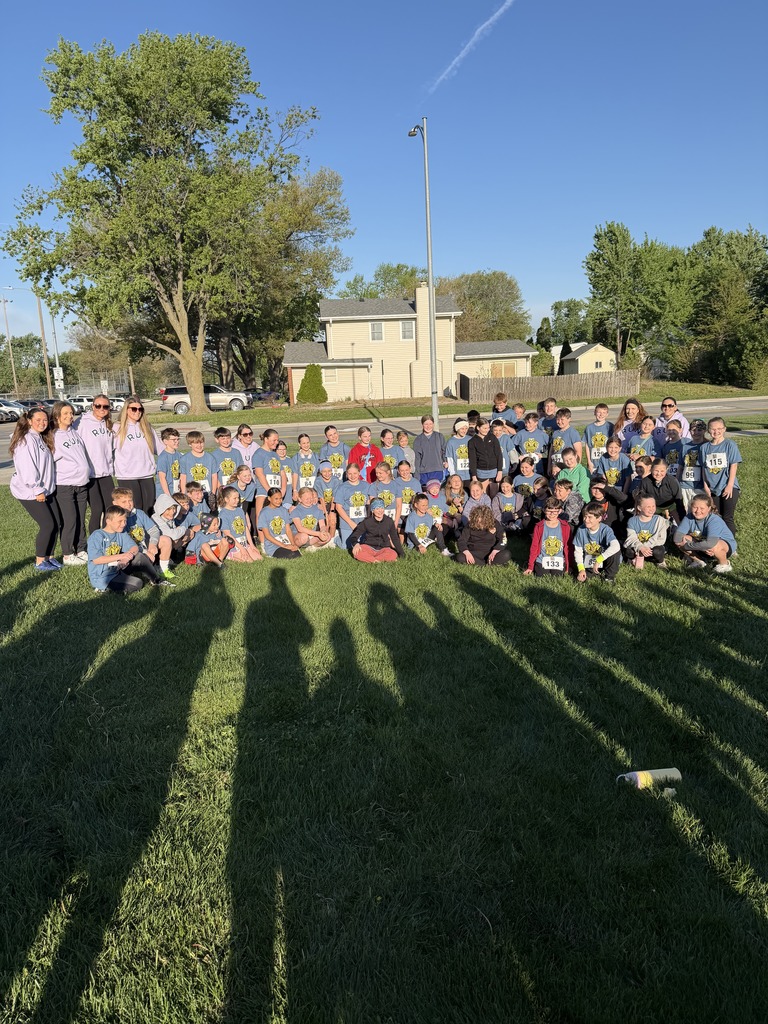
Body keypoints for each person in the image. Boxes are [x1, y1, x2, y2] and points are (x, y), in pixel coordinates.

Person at [10, 408, 60, 571]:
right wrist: (37, 489)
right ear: (29, 421)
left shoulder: (40, 438)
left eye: (45, 420)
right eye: (38, 419)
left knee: (57, 523)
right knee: (47, 524)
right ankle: (39, 561)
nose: (42, 423)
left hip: (45, 490)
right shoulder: (26, 440)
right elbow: (27, 469)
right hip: (30, 491)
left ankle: (49, 558)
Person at [88, 504, 171, 593]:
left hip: (117, 568)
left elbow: (134, 547)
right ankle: (102, 588)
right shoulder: (97, 536)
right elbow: (96, 560)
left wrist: (126, 558)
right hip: (103, 576)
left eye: (125, 520)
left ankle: (156, 580)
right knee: (138, 583)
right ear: (108, 521)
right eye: (120, 521)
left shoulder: (121, 532)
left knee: (140, 557)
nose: (124, 524)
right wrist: (122, 556)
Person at [51, 401, 91, 566]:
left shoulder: (74, 433)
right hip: (65, 484)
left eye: (71, 413)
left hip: (81, 484)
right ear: (57, 416)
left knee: (81, 519)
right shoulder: (53, 436)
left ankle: (80, 549)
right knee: (70, 520)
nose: (69, 416)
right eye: (65, 413)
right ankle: (67, 554)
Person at [113, 396, 160, 512]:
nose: (137, 412)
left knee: (149, 509)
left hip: (147, 475)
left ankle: (148, 530)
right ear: (126, 410)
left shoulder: (146, 427)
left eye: (140, 409)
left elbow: (160, 448)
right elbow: (107, 452)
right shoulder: (117, 428)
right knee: (134, 509)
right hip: (127, 476)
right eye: (134, 409)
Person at [76, 395, 114, 533]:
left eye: (105, 406)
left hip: (105, 472)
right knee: (97, 509)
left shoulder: (108, 423)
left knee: (109, 508)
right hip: (90, 474)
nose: (102, 409)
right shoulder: (82, 422)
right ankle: (94, 540)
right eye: (98, 406)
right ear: (93, 406)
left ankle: (107, 538)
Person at [674, 491, 736, 573]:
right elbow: (676, 538)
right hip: (703, 545)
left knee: (713, 545)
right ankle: (699, 561)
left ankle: (724, 564)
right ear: (691, 506)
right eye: (695, 507)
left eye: (702, 508)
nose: (698, 511)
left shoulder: (714, 520)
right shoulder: (688, 517)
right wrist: (702, 547)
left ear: (709, 508)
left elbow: (710, 543)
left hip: (722, 546)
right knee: (682, 539)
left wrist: (687, 546)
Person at [700, 417, 741, 536]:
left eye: (719, 429)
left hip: (728, 486)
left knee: (728, 517)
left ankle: (731, 545)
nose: (716, 432)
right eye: (713, 429)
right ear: (708, 430)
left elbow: (734, 465)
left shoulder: (730, 444)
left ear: (724, 429)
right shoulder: (704, 447)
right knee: (716, 516)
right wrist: (705, 485)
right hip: (712, 488)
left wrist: (729, 485)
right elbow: (703, 467)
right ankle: (718, 542)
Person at [111, 486, 161, 568]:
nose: (128, 504)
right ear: (115, 503)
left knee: (165, 540)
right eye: (124, 502)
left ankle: (162, 567)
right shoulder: (116, 519)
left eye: (130, 500)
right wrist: (145, 551)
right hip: (129, 550)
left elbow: (154, 530)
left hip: (144, 544)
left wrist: (153, 544)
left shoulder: (139, 513)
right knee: (141, 556)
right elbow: (125, 543)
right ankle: (148, 571)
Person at [573, 502, 622, 584]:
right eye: (585, 516)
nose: (586, 519)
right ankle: (590, 572)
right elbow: (578, 551)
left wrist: (599, 559)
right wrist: (581, 569)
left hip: (603, 559)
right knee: (582, 580)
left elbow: (616, 546)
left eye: (589, 517)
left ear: (599, 518)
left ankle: (609, 576)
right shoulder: (581, 530)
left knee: (615, 551)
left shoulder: (606, 529)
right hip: (589, 559)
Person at [524, 497, 571, 577]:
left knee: (557, 576)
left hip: (558, 559)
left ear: (560, 511)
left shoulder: (565, 526)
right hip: (542, 558)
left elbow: (568, 546)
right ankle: (531, 563)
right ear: (544, 510)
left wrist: (568, 565)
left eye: (555, 511)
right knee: (541, 575)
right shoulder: (539, 526)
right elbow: (534, 546)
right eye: (549, 511)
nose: (552, 514)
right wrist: (530, 567)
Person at [349, 497, 405, 562]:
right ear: (372, 510)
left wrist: (402, 553)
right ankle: (376, 560)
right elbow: (354, 536)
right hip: (369, 547)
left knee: (393, 554)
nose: (380, 511)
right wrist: (356, 544)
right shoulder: (367, 522)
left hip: (384, 548)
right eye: (377, 509)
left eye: (382, 508)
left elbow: (395, 538)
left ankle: (372, 560)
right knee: (357, 552)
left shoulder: (389, 521)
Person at [152, 493, 195, 572]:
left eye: (174, 509)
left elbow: (175, 532)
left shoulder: (169, 518)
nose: (172, 512)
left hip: (165, 543)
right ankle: (161, 567)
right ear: (161, 508)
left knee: (189, 533)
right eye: (168, 509)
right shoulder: (156, 518)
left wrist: (184, 532)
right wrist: (184, 528)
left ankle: (167, 559)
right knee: (171, 539)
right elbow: (173, 535)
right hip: (153, 545)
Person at [218, 485, 263, 562]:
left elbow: (245, 529)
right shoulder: (223, 514)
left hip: (244, 543)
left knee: (259, 559)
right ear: (226, 499)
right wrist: (241, 549)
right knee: (249, 561)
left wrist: (252, 546)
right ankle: (229, 555)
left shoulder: (240, 510)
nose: (237, 500)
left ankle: (245, 550)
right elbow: (228, 534)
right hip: (233, 545)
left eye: (238, 498)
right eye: (234, 498)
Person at [624, 495, 669, 569]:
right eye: (648, 507)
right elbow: (631, 538)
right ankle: (631, 559)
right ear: (639, 508)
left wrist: (646, 547)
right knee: (629, 551)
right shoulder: (632, 521)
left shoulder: (660, 520)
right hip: (638, 547)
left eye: (653, 506)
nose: (651, 509)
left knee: (658, 551)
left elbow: (661, 539)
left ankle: (660, 562)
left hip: (652, 547)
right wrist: (640, 547)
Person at [334, 462, 371, 548]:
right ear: (346, 474)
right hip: (347, 521)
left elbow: (370, 503)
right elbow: (338, 508)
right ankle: (336, 538)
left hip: (362, 521)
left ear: (359, 473)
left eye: (355, 473)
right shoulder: (342, 487)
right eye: (349, 473)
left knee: (364, 543)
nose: (352, 476)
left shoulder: (366, 485)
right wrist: (351, 523)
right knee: (346, 546)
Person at [258, 487, 303, 559]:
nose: (279, 501)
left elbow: (288, 530)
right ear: (269, 498)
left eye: (280, 498)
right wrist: (284, 546)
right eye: (276, 499)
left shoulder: (284, 510)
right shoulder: (264, 513)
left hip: (285, 541)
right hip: (273, 545)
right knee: (291, 555)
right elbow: (267, 535)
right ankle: (270, 554)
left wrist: (293, 544)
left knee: (297, 555)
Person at [636, 458, 684, 524]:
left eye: (662, 471)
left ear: (666, 470)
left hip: (671, 504)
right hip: (654, 506)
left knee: (680, 522)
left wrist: (682, 517)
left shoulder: (672, 481)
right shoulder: (645, 482)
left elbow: (679, 499)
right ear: (651, 469)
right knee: (650, 522)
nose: (659, 474)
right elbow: (642, 499)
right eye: (656, 471)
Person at [252, 428, 285, 522]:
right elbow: (259, 474)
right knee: (261, 517)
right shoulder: (259, 454)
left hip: (276, 492)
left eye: (277, 440)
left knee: (275, 518)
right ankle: (261, 537)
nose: (276, 442)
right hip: (264, 492)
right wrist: (270, 491)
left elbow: (282, 473)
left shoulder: (275, 455)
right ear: (266, 439)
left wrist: (283, 489)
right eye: (274, 440)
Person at [468, 417, 503, 495]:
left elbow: (499, 455)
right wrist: (474, 476)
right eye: (484, 428)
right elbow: (472, 460)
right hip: (481, 471)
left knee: (494, 494)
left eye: (488, 428)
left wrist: (499, 471)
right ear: (478, 428)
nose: (487, 430)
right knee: (484, 494)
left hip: (494, 470)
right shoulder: (472, 441)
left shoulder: (492, 438)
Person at [179, 431, 218, 495]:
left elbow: (214, 476)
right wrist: (184, 493)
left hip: (207, 492)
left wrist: (213, 493)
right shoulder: (184, 459)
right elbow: (183, 478)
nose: (199, 445)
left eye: (201, 442)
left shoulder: (210, 458)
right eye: (196, 443)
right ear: (190, 444)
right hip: (192, 494)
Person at [413, 415, 447, 488]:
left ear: (433, 424)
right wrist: (417, 475)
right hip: (424, 472)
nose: (428, 426)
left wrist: (445, 461)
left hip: (437, 470)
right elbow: (417, 459)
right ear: (422, 425)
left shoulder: (439, 436)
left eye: (430, 424)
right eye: (426, 424)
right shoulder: (418, 440)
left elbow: (444, 452)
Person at [512, 412, 549, 477]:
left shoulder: (542, 434)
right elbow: (511, 447)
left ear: (536, 423)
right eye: (526, 423)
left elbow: (551, 447)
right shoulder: (521, 434)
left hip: (538, 468)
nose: (527, 425)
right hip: (524, 469)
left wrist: (543, 455)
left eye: (529, 423)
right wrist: (518, 456)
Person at [548, 408, 582, 473]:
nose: (559, 422)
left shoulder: (573, 432)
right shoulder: (555, 433)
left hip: (567, 466)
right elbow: (551, 451)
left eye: (562, 419)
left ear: (569, 419)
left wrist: (576, 468)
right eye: (558, 419)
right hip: (555, 467)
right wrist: (549, 467)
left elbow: (578, 452)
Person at [584, 404, 614, 474]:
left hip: (606, 462)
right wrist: (589, 461)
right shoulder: (589, 428)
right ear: (594, 412)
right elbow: (587, 445)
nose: (601, 415)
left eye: (604, 413)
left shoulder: (610, 426)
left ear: (607, 414)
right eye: (599, 412)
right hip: (593, 463)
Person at [314, 461, 340, 538]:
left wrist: (331, 511)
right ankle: (324, 535)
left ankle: (331, 538)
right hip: (322, 504)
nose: (327, 473)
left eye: (329, 471)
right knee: (325, 518)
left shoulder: (335, 480)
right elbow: (321, 498)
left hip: (333, 503)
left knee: (332, 519)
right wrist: (325, 513)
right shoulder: (318, 481)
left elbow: (334, 497)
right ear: (321, 472)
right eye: (324, 471)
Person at [156, 427, 181, 498]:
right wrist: (168, 495)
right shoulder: (163, 457)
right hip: (165, 493)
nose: (177, 441)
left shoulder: (179, 455)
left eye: (178, 439)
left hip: (176, 491)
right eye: (174, 440)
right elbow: (162, 478)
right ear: (165, 441)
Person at [445, 418, 472, 484]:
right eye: (462, 429)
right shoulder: (451, 442)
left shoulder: (470, 439)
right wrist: (453, 474)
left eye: (466, 428)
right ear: (457, 429)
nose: (464, 431)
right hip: (458, 475)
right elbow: (450, 459)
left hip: (470, 474)